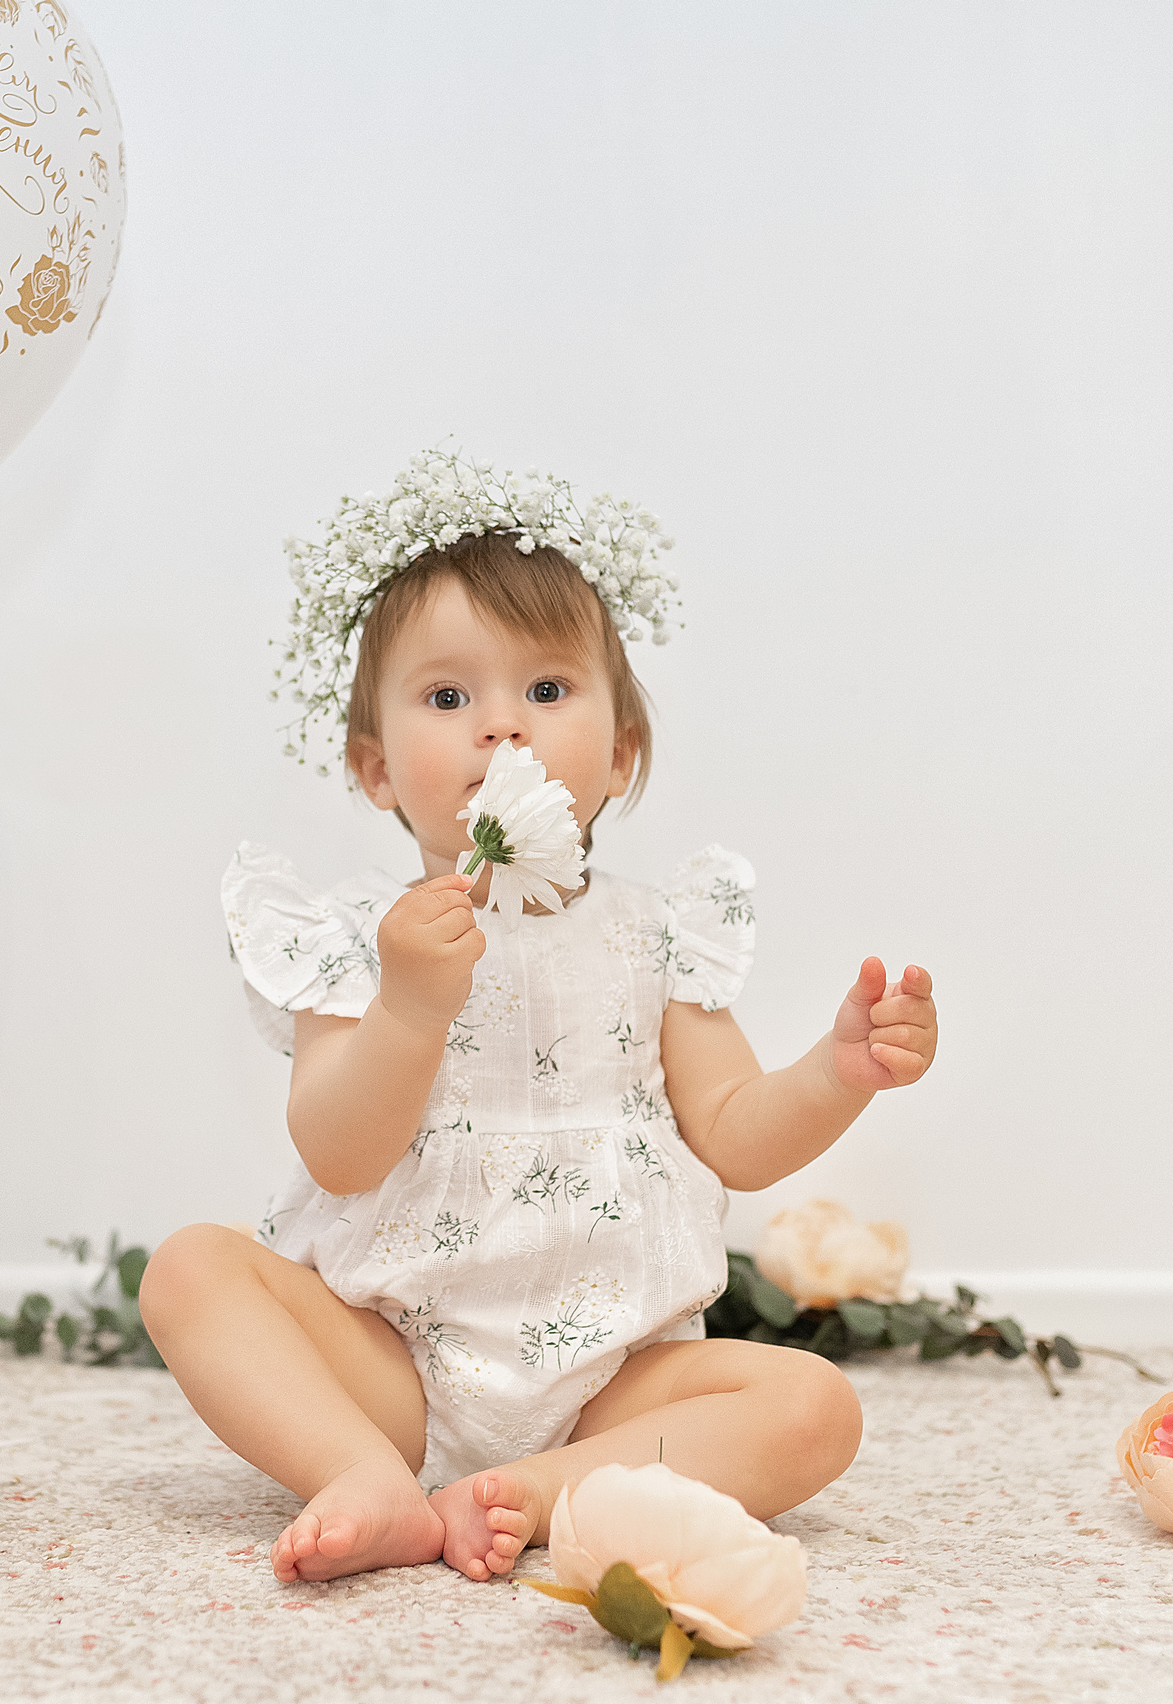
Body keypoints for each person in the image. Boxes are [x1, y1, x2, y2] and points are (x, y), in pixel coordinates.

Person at [140, 449, 939, 1583]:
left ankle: (531, 1491)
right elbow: (337, 1148)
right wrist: (410, 1008)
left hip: (613, 1381)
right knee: (188, 1272)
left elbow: (736, 1134)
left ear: (618, 757)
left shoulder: (654, 933)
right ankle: (357, 1469)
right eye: (448, 696)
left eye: (546, 692)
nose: (500, 729)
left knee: (810, 1406)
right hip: (394, 1362)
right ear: (376, 768)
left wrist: (837, 1070)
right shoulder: (360, 931)